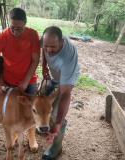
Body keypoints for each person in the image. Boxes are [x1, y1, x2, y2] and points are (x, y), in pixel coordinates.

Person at [0, 7, 40, 149]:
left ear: (25, 24)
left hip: (29, 81)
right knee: (14, 112)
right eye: (12, 28)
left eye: (19, 28)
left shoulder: (33, 35)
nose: (15, 32)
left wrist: (25, 81)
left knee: (31, 110)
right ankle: (15, 135)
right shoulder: (3, 36)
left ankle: (32, 137)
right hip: (9, 81)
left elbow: (35, 60)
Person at [41, 26, 80, 160]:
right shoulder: (46, 43)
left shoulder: (68, 57)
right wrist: (44, 66)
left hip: (66, 79)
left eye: (53, 47)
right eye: (46, 46)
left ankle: (56, 147)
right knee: (42, 102)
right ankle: (46, 126)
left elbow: (65, 94)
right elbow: (44, 49)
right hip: (53, 75)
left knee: (56, 113)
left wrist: (57, 122)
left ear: (61, 42)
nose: (49, 50)